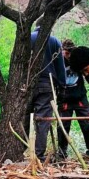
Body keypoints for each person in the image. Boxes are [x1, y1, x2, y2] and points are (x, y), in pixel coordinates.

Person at [25, 17, 66, 162]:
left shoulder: (27, 38)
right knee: (42, 120)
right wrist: (62, 85)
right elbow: (60, 67)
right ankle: (38, 155)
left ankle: (21, 149)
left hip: (27, 84)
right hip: (46, 83)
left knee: (25, 117)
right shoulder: (54, 41)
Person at [57, 40, 89, 158]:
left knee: (88, 123)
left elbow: (88, 74)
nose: (68, 55)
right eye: (66, 52)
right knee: (62, 126)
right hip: (64, 98)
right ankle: (61, 153)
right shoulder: (58, 61)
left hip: (80, 97)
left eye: (70, 52)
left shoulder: (77, 60)